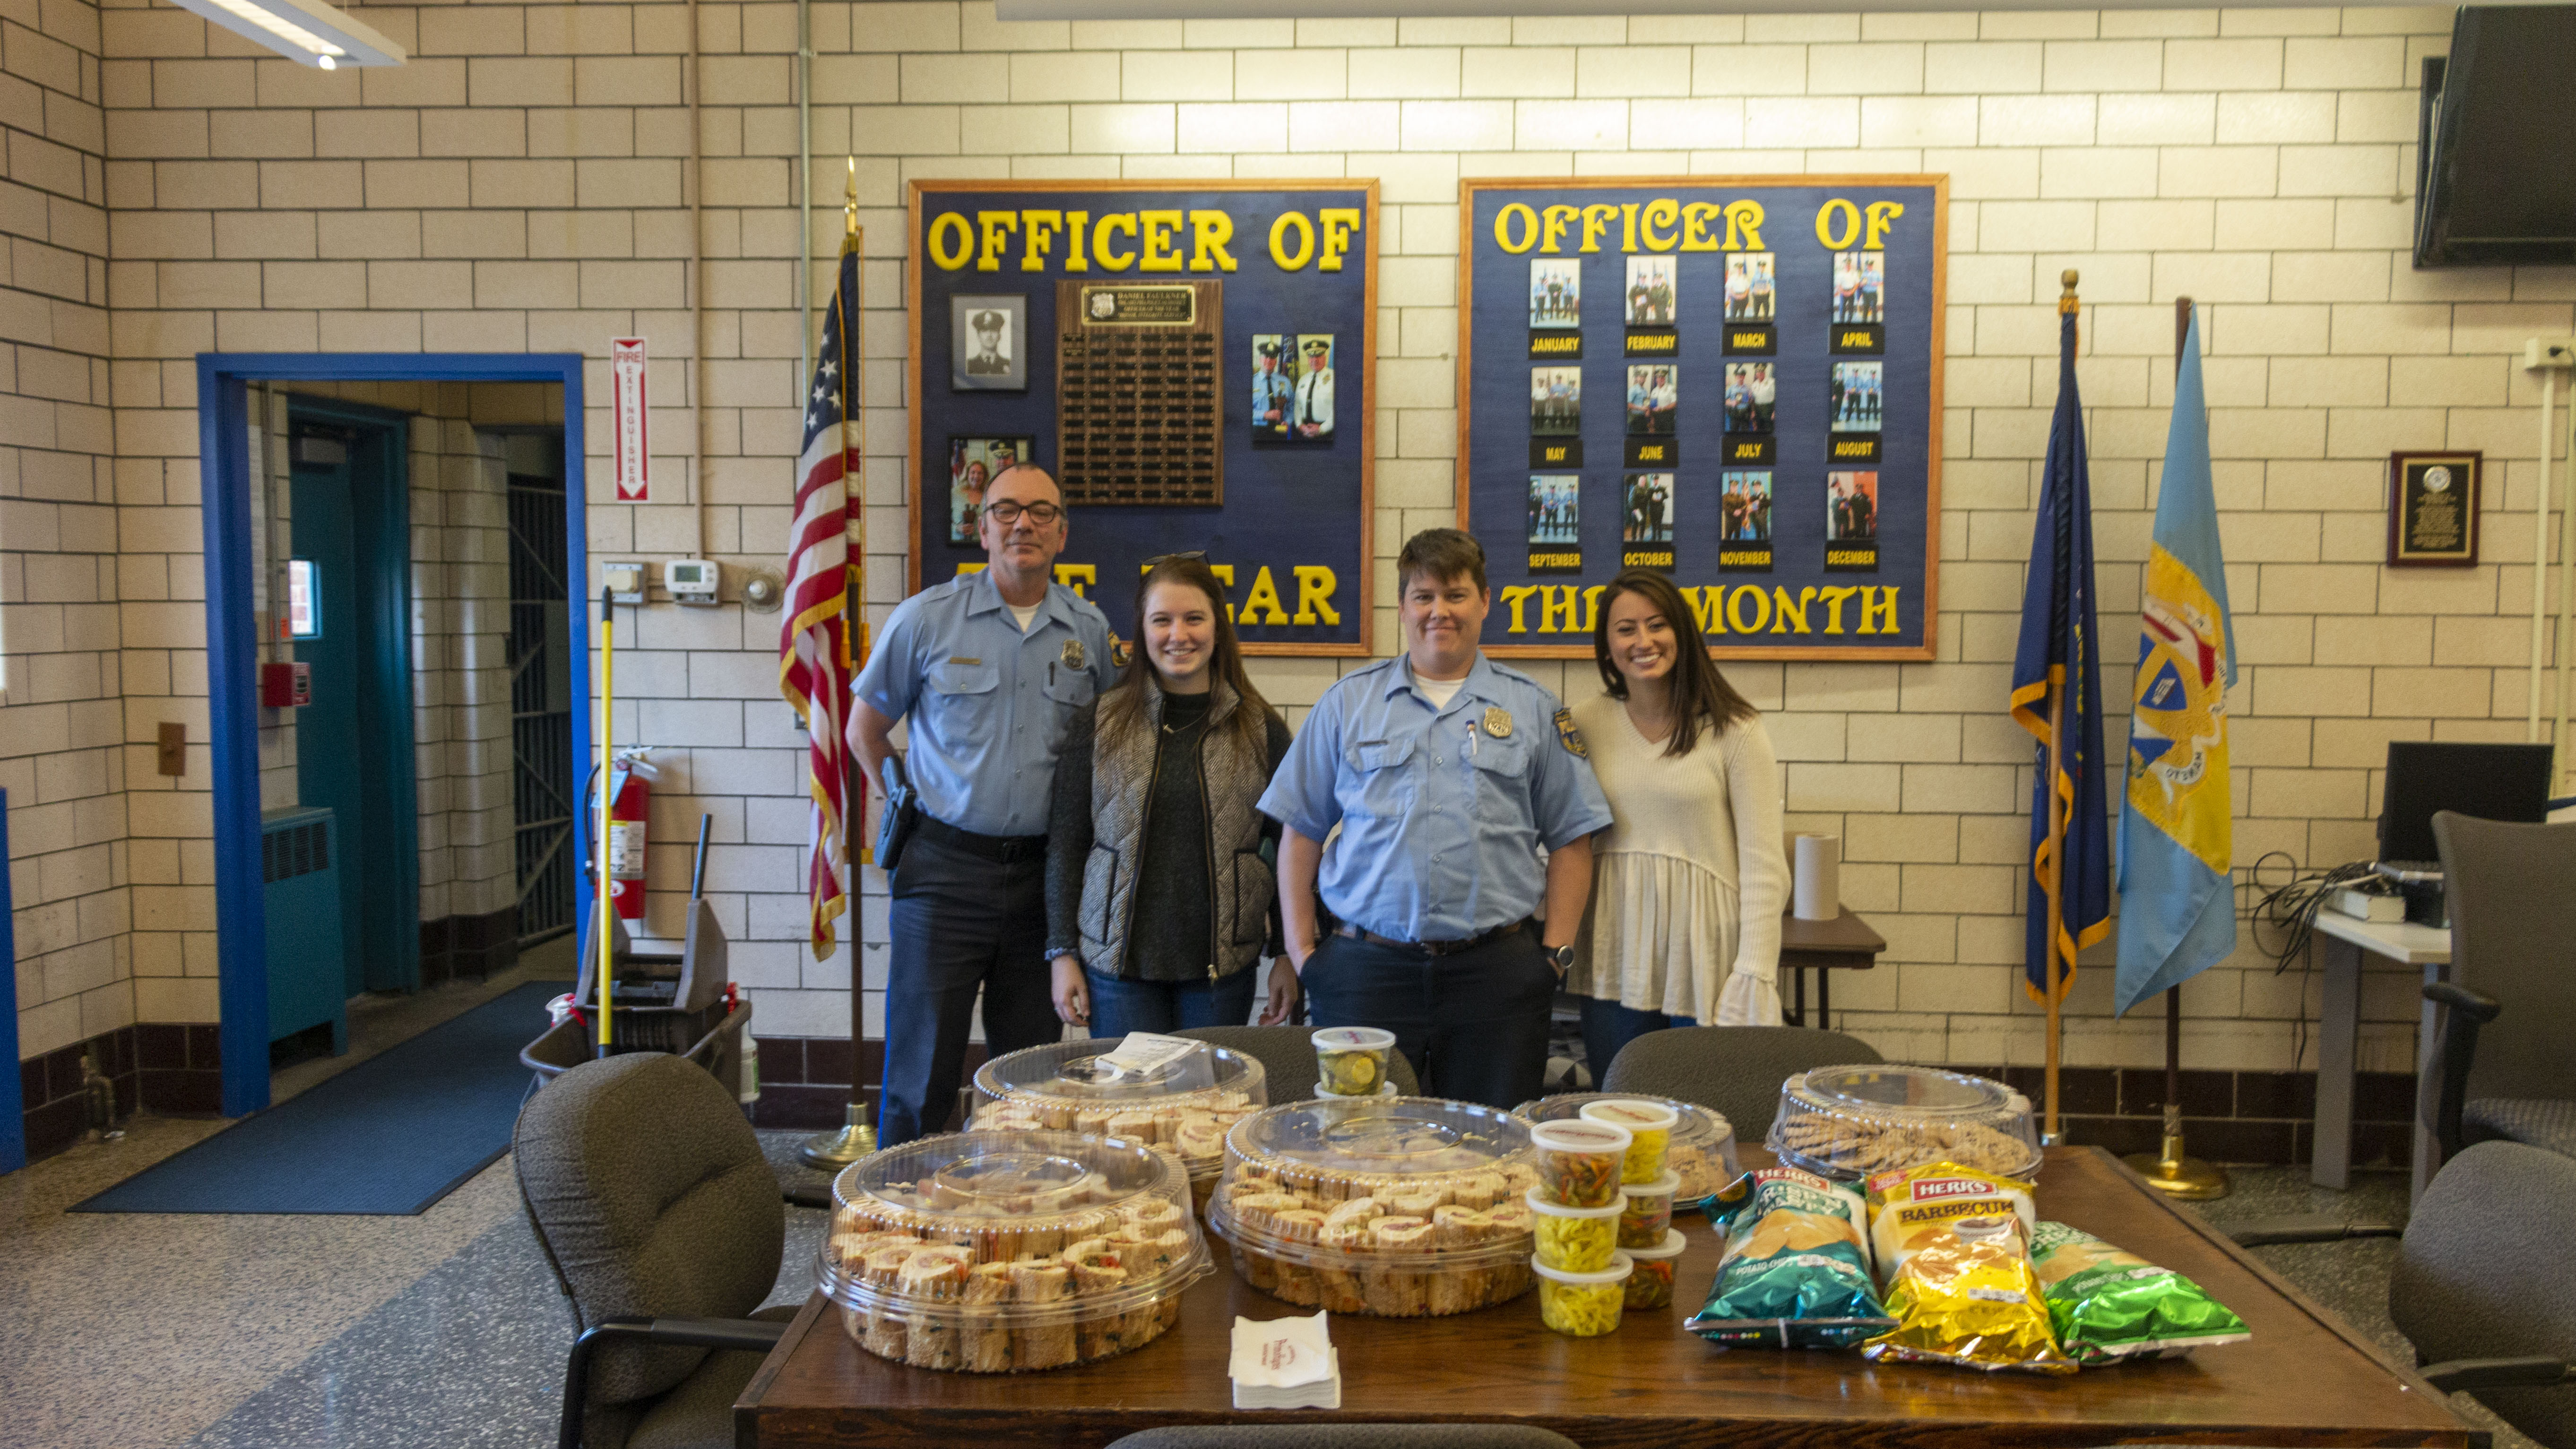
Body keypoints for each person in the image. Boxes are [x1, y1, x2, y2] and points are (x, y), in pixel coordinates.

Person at [1260, 529, 1612, 1108]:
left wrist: (1555, 957)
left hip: (1496, 976)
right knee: (1357, 1145)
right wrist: (1305, 956)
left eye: (1454, 594)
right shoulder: (1347, 703)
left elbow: (1573, 839)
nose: (1437, 611)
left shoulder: (1532, 708)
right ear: (1401, 607)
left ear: (1483, 602)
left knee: (1492, 1144)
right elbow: (1299, 830)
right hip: (1363, 973)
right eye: (1423, 596)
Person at [848, 463, 1116, 1146]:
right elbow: (864, 729)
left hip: (1041, 887)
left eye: (1038, 512)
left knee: (1026, 1080)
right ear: (980, 526)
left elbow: (1112, 745)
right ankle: (901, 1224)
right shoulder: (927, 619)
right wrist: (899, 801)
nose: (1021, 523)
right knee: (918, 1076)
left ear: (1062, 532)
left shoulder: (1088, 632)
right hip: (942, 873)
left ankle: (1013, 1222)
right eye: (1004, 510)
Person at [1045, 556, 1299, 1037]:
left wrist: (1286, 952)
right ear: (1141, 632)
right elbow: (1065, 845)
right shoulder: (1097, 724)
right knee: (1129, 1106)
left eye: (1193, 619)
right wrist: (1061, 953)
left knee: (1209, 1104)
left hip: (1220, 973)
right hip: (1117, 968)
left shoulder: (1261, 730)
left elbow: (1289, 850)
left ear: (1217, 629)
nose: (1177, 635)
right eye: (1161, 620)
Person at [1566, 569, 1787, 1082]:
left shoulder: (1735, 728)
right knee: (1619, 1113)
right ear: (1606, 644)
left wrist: (1753, 970)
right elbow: (1558, 833)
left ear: (1681, 633)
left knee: (1706, 1116)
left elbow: (1764, 868)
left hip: (1705, 957)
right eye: (1625, 629)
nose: (1642, 641)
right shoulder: (1581, 723)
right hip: (1612, 953)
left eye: (1656, 625)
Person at [1251, 340, 1292, 440]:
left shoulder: (1285, 382)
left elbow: (1292, 405)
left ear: (1276, 361)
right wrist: (1265, 415)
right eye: (1266, 356)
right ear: (1260, 359)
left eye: (1273, 357)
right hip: (1258, 431)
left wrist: (1288, 421)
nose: (1269, 360)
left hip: (1281, 430)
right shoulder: (1252, 382)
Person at [1295, 338, 1334, 439]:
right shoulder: (1303, 380)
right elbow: (1297, 406)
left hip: (1327, 433)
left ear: (1325, 357)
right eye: (1311, 356)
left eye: (1318, 356)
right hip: (1304, 432)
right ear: (1308, 359)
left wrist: (1322, 429)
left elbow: (1339, 409)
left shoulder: (1335, 377)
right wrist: (1300, 425)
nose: (1315, 360)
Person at [965, 310, 1011, 375]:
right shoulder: (968, 366)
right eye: (984, 331)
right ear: (978, 336)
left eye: (994, 330)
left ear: (999, 336)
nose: (989, 335)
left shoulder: (1010, 365)